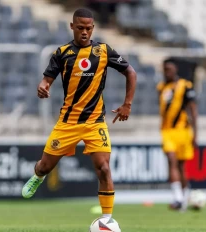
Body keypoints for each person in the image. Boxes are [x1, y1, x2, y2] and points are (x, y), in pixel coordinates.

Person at [21, 8, 137, 220]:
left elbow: (130, 72)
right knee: (45, 166)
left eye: (88, 28)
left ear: (93, 28)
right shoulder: (62, 53)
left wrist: (127, 104)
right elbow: (47, 80)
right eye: (81, 28)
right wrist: (43, 86)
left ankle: (107, 219)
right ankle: (38, 176)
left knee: (103, 168)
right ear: (72, 26)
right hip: (68, 122)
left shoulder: (103, 51)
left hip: (95, 122)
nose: (85, 32)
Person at [157, 59, 198, 211]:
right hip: (167, 131)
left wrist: (196, 133)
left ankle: (184, 197)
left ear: (175, 71)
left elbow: (193, 110)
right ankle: (178, 198)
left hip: (183, 131)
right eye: (165, 69)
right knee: (171, 160)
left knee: (181, 166)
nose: (166, 72)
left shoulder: (185, 86)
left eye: (169, 69)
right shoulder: (161, 87)